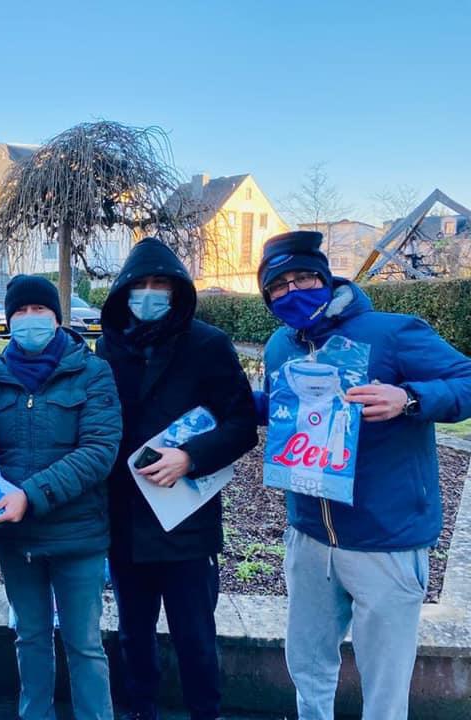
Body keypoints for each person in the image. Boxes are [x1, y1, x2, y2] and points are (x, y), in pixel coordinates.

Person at [254, 230, 471, 720]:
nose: (292, 291)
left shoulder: (391, 333)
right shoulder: (279, 346)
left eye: (303, 278)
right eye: (278, 286)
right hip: (310, 535)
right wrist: (236, 406)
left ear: (326, 278)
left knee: (384, 684)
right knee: (307, 665)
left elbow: (466, 379)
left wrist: (409, 398)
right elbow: (289, 409)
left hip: (385, 539)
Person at [96, 238, 258, 720]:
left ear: (178, 291)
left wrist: (190, 457)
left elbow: (241, 424)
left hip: (187, 518)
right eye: (139, 285)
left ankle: (205, 712)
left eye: (160, 284)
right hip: (126, 517)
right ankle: (138, 711)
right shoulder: (109, 346)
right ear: (123, 292)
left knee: (195, 636)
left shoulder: (208, 344)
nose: (149, 294)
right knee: (132, 633)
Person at [0, 275, 122, 720]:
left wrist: (30, 495)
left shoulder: (92, 372)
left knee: (85, 644)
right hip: (17, 538)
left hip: (78, 536)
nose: (29, 318)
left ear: (57, 317)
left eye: (38, 309)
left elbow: (99, 451)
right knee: (30, 638)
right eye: (20, 311)